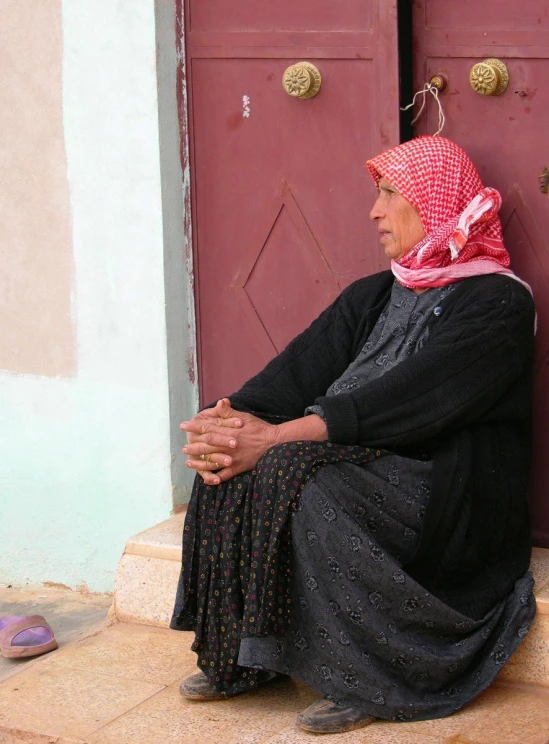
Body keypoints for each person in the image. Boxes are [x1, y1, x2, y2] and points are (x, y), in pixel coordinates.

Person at [170, 136, 536, 734]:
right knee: (231, 466)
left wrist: (281, 437)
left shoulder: (498, 304)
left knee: (299, 477)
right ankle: (243, 657)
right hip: (358, 457)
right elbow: (292, 374)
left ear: (434, 200)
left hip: (445, 487)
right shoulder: (374, 295)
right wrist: (225, 424)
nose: (374, 211)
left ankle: (368, 677)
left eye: (390, 193)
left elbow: (412, 402)